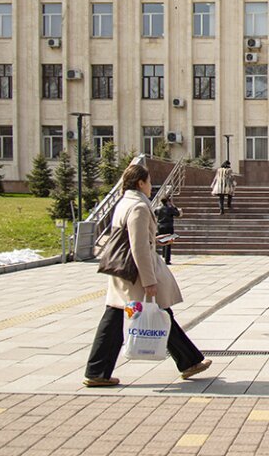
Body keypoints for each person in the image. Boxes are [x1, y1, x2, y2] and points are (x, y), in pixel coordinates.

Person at [84, 164, 211, 387]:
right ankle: (189, 361)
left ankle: (97, 370)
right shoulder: (139, 207)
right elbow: (139, 246)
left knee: (116, 317)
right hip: (136, 271)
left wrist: (157, 241)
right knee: (160, 312)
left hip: (120, 269)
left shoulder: (124, 203)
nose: (151, 186)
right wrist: (149, 280)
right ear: (140, 183)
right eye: (149, 181)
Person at [154, 193, 182, 265]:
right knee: (168, 242)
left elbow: (155, 214)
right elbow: (177, 214)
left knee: (162, 240)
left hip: (160, 226)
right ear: (167, 201)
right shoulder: (170, 208)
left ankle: (164, 255)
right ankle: (167, 259)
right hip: (168, 226)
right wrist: (173, 206)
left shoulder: (158, 209)